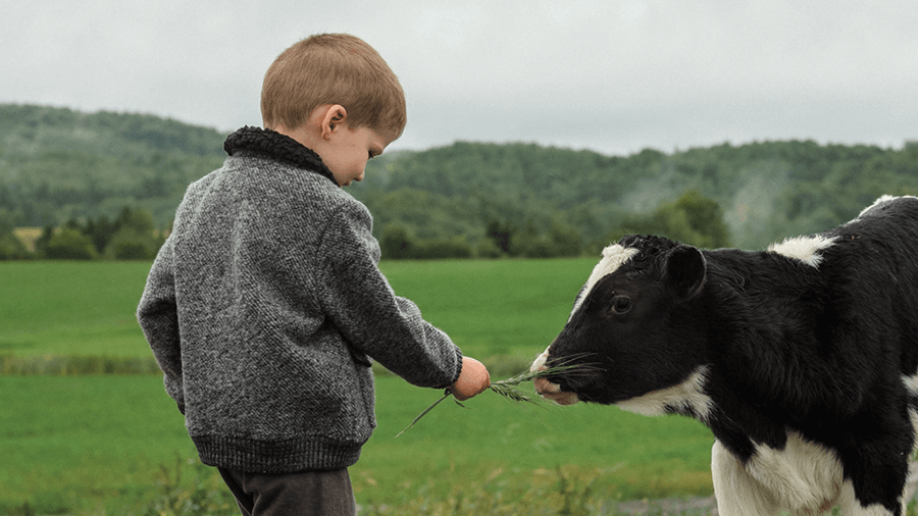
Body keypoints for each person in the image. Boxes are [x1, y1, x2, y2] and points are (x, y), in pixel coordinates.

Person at [136, 33, 491, 516]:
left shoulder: (202, 196)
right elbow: (378, 316)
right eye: (371, 150)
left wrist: (198, 397)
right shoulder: (324, 208)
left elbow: (156, 309)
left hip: (225, 439)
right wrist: (449, 367)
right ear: (333, 121)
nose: (364, 171)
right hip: (300, 442)